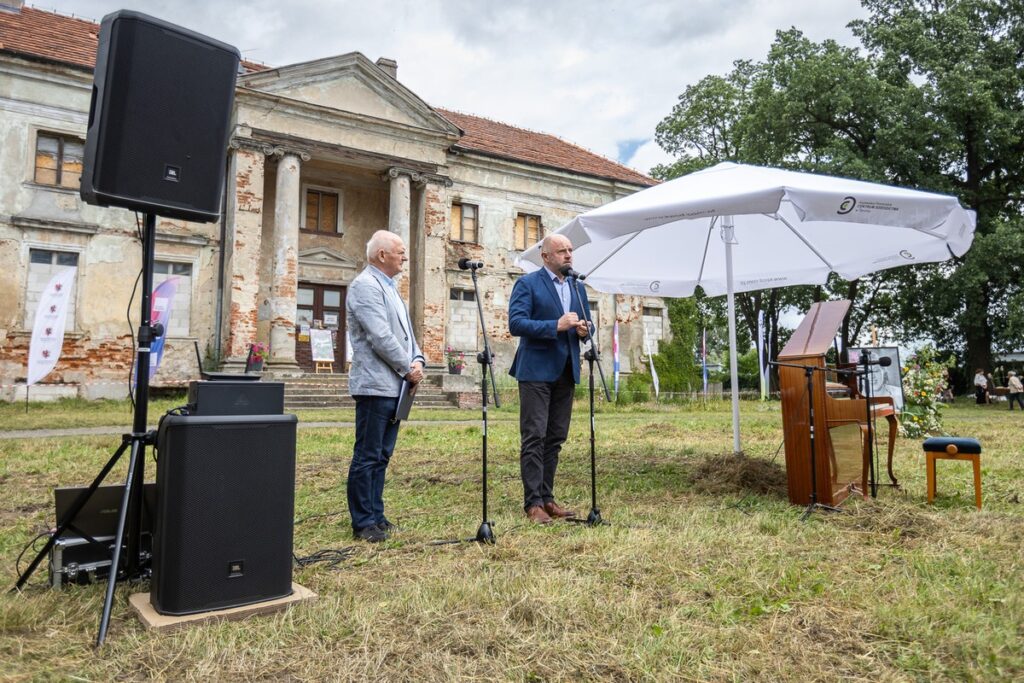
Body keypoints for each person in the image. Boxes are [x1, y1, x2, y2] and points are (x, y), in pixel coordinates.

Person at [345, 230, 425, 542]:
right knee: (368, 455)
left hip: (396, 386)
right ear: (382, 255)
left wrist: (417, 360)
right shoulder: (365, 286)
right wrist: (408, 368)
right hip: (375, 386)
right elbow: (380, 337)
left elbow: (407, 335)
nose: (404, 256)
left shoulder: (391, 288)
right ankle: (363, 522)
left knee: (382, 455)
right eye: (400, 251)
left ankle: (376, 515)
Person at [508, 233, 591, 524]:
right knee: (535, 436)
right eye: (561, 251)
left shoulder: (578, 287)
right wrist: (555, 325)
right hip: (535, 372)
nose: (568, 255)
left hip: (566, 371)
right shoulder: (528, 284)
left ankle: (547, 498)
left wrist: (585, 329)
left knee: (555, 437)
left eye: (570, 250)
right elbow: (516, 323)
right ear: (545, 256)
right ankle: (533, 504)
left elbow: (586, 324)